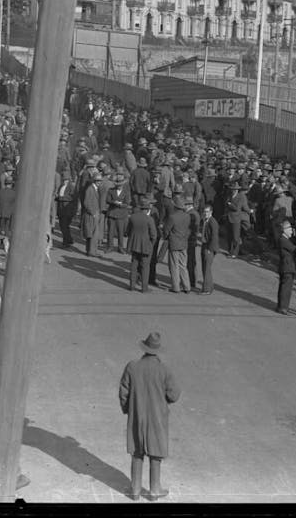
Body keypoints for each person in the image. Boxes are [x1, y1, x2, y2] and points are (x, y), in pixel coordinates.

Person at [118, 332, 181, 501]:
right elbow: (174, 395)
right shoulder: (164, 369)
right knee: (155, 452)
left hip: (137, 415)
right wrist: (162, 399)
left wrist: (128, 410)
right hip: (157, 417)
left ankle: (135, 490)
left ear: (144, 348)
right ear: (157, 350)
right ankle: (154, 490)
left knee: (137, 451)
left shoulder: (132, 366)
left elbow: (123, 392)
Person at [125, 196, 157, 293]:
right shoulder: (149, 219)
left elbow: (127, 231)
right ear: (147, 209)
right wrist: (151, 244)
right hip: (146, 246)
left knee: (134, 265)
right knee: (145, 267)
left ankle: (132, 285)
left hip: (134, 245)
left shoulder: (133, 217)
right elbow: (154, 235)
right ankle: (144, 288)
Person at [164, 196, 191, 294]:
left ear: (175, 207)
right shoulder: (187, 216)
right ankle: (187, 286)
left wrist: (166, 236)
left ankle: (176, 287)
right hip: (183, 243)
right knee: (183, 265)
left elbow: (166, 230)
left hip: (174, 243)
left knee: (174, 265)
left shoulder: (172, 217)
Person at [276, 220, 296, 315]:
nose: (291, 231)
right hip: (287, 266)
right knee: (286, 288)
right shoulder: (283, 240)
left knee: (283, 286)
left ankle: (281, 305)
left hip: (285, 266)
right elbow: (294, 249)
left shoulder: (284, 239)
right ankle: (283, 307)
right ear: (285, 230)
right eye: (290, 229)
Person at [224, 182, 249, 258]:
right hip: (228, 217)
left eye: (235, 189)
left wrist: (229, 204)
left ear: (238, 190)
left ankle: (235, 253)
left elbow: (236, 208)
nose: (233, 190)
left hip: (236, 219)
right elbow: (225, 203)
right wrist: (228, 204)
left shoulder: (240, 197)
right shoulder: (229, 196)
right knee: (229, 236)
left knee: (235, 237)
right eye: (232, 189)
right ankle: (230, 251)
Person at [55, 168, 78, 249]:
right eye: (64, 179)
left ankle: (66, 243)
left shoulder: (71, 187)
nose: (65, 181)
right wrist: (57, 197)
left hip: (67, 210)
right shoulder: (61, 186)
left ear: (69, 179)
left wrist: (61, 197)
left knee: (64, 226)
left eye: (66, 180)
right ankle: (69, 240)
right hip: (61, 209)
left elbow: (72, 198)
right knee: (63, 226)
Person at [199, 204, 219, 295]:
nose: (205, 213)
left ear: (211, 212)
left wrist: (210, 249)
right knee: (205, 267)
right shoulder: (205, 221)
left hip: (209, 247)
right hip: (204, 245)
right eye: (204, 211)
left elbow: (214, 237)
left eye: (207, 212)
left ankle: (206, 289)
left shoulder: (212, 222)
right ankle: (209, 287)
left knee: (206, 268)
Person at [81, 173, 102, 257]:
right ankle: (92, 252)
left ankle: (89, 251)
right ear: (94, 180)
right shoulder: (90, 189)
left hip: (93, 213)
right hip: (92, 214)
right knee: (94, 234)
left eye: (100, 181)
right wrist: (92, 213)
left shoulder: (94, 188)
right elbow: (86, 202)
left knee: (90, 233)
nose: (99, 182)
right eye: (98, 180)